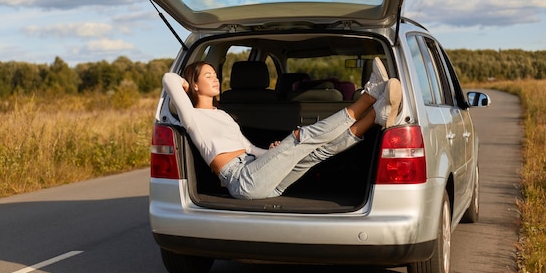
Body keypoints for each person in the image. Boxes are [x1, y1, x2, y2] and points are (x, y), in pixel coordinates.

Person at [162, 58, 401, 200]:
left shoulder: (222, 114)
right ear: (194, 84)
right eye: (208, 76)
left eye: (216, 75)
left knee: (316, 152)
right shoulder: (191, 117)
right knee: (300, 138)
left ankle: (375, 116)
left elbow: (249, 148)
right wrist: (184, 84)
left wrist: (271, 153)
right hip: (242, 180)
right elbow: (168, 78)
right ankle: (369, 96)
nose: (215, 79)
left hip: (259, 175)